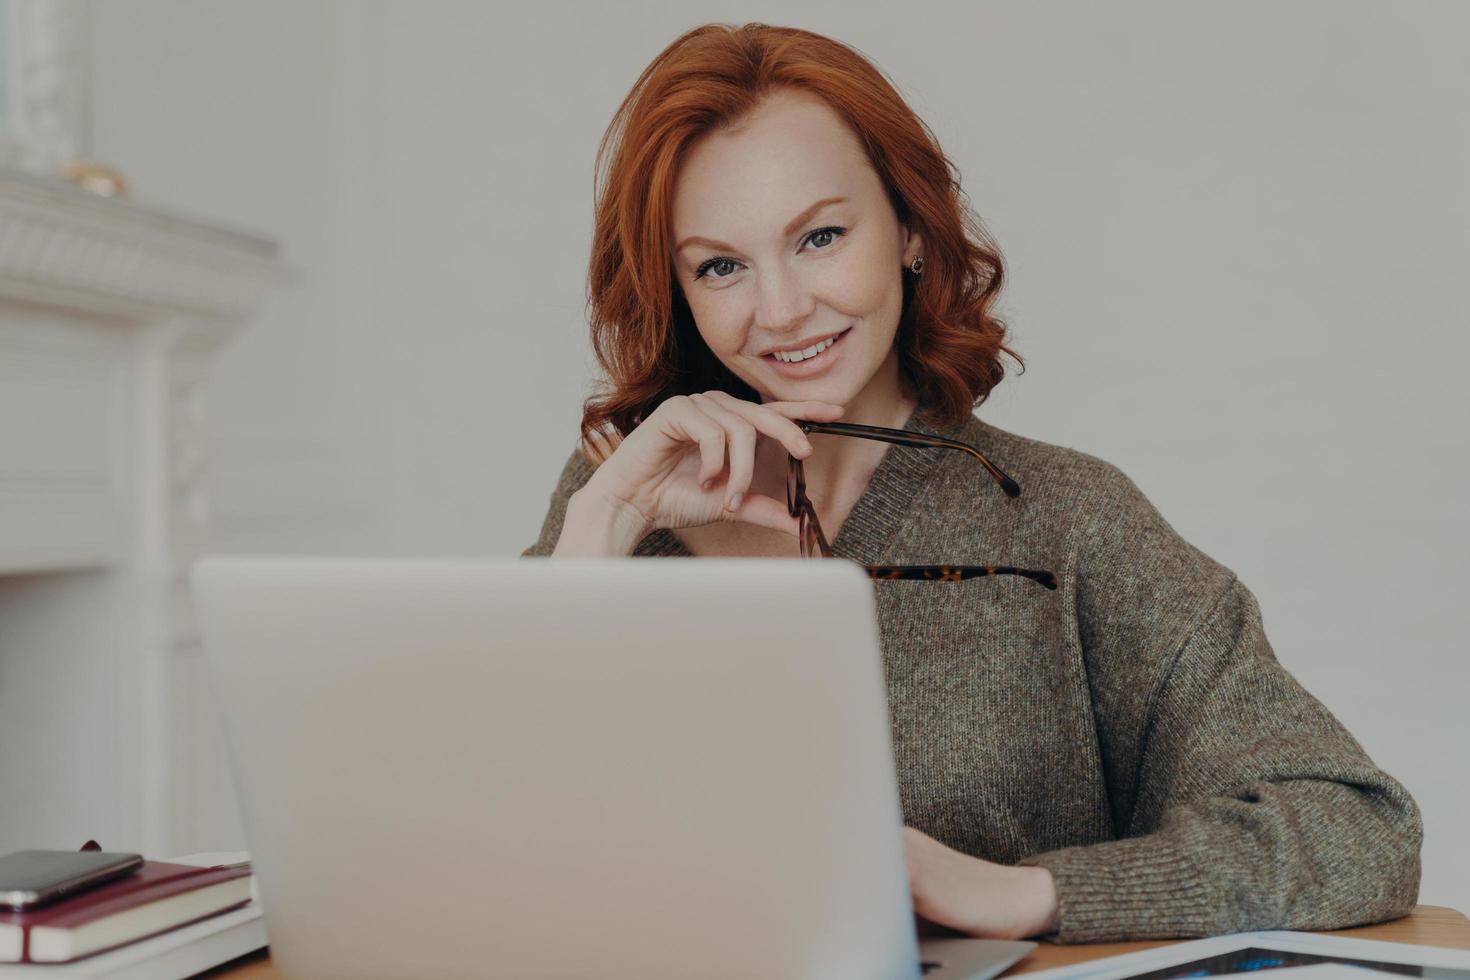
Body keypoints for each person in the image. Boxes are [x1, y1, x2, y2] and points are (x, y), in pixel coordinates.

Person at [521, 23, 1422, 944]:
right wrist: (602, 528)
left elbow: (1356, 826)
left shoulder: (1065, 523)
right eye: (721, 266)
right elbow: (481, 836)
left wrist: (1025, 894)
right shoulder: (618, 501)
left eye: (821, 236)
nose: (782, 309)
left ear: (911, 228)